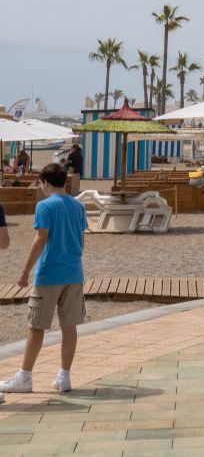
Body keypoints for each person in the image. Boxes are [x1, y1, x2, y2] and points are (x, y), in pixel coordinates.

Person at [0, 163, 86, 397]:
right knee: (69, 326)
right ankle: (64, 376)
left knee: (36, 326)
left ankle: (25, 376)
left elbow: (40, 240)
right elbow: (80, 238)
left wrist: (25, 271)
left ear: (46, 182)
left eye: (41, 183)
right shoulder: (78, 206)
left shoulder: (45, 206)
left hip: (50, 273)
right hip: (74, 272)